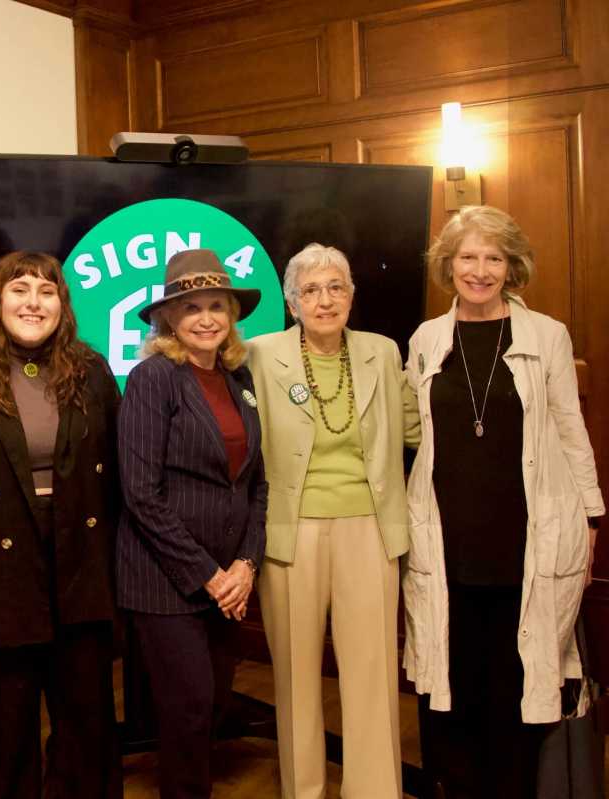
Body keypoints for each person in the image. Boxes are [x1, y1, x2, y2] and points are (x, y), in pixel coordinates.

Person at [403, 206, 604, 798]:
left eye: (494, 258)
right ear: (449, 264)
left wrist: (592, 517)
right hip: (447, 541)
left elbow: (571, 429)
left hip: (525, 540)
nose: (481, 270)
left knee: (519, 688)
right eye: (468, 257)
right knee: (452, 686)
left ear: (512, 267)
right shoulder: (426, 339)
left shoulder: (547, 335)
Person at [0, 251, 121, 799]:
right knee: (5, 729)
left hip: (82, 569)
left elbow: (115, 483)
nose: (33, 302)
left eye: (46, 291)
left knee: (87, 727)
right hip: (2, 577)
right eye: (19, 290)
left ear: (62, 304)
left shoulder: (90, 372)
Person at [248, 243, 419, 799]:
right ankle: (305, 790)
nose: (325, 300)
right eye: (311, 291)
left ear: (352, 295)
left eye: (336, 287)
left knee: (371, 672)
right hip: (289, 531)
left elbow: (418, 426)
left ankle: (374, 790)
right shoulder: (257, 353)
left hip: (369, 527)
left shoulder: (383, 352)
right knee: (296, 675)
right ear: (291, 302)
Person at [116, 248, 267, 799]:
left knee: (214, 707)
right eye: (191, 308)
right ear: (168, 320)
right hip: (168, 582)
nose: (206, 318)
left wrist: (246, 564)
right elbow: (140, 493)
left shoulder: (238, 377)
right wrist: (209, 575)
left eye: (217, 306)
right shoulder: (154, 377)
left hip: (229, 577)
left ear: (231, 314)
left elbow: (256, 482)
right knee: (189, 710)